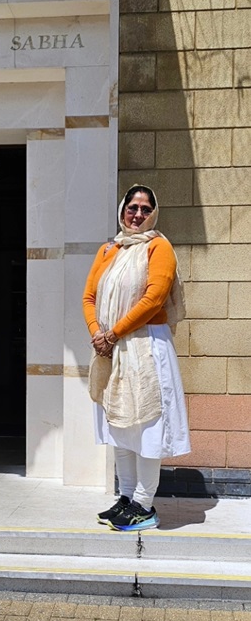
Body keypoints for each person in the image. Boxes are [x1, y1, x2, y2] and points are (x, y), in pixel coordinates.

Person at [82, 185, 191, 531]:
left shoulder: (159, 247)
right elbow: (89, 297)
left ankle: (144, 504)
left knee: (146, 426)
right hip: (111, 349)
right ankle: (127, 497)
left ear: (153, 214)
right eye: (132, 207)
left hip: (146, 347)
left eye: (145, 209)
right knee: (119, 425)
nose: (138, 215)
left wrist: (112, 333)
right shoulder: (109, 250)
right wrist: (97, 333)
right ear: (122, 210)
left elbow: (154, 298)